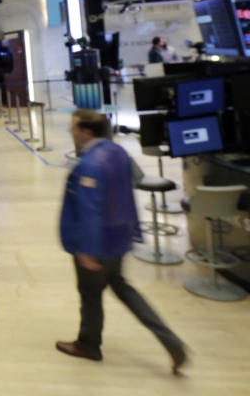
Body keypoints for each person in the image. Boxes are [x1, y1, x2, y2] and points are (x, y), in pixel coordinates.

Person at [56, 109, 188, 374]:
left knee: (91, 295)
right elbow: (131, 187)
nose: (70, 132)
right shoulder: (118, 153)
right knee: (123, 288)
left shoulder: (90, 165)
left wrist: (87, 250)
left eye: (74, 128)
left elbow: (91, 211)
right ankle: (171, 341)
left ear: (86, 132)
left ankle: (88, 345)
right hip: (119, 239)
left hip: (98, 244)